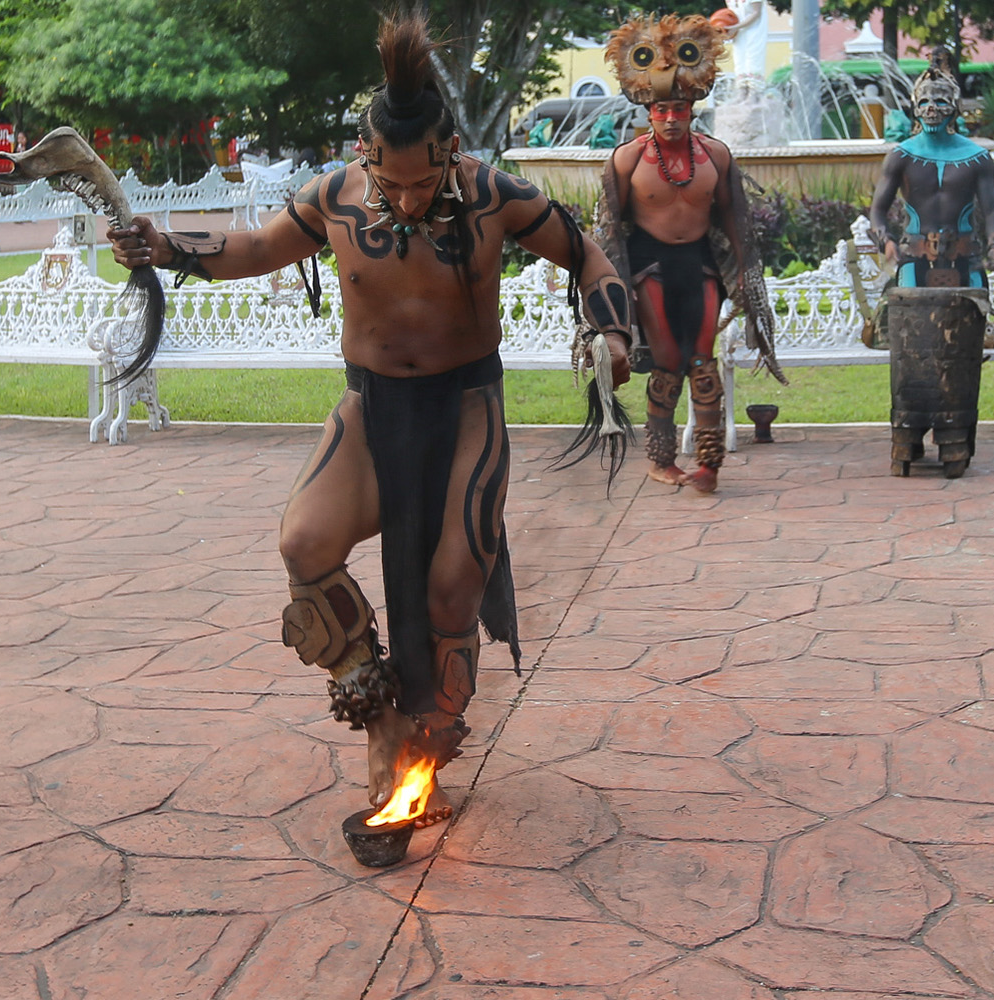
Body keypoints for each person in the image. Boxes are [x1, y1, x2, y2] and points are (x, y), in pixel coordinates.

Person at [108, 14, 635, 826]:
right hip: (372, 404)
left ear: (451, 154)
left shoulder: (495, 195)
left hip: (466, 408)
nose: (408, 198)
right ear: (365, 159)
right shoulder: (333, 199)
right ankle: (382, 720)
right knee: (304, 542)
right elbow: (252, 250)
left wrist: (610, 329)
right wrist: (164, 245)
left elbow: (588, 252)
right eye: (391, 185)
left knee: (454, 586)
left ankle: (431, 745)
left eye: (424, 184)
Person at [595, 12, 783, 494]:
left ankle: (709, 461)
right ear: (648, 111)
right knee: (669, 360)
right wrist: (611, 295)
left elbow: (734, 223)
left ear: (693, 108)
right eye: (663, 111)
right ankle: (660, 459)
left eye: (680, 109)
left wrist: (745, 278)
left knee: (702, 362)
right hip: (650, 270)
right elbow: (608, 231)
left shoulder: (715, 156)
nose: (672, 118)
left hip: (699, 268)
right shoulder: (627, 159)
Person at [868, 55, 994, 477]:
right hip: (913, 265)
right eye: (924, 101)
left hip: (966, 265)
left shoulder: (978, 158)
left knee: (961, 354)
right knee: (911, 353)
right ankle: (906, 437)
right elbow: (877, 213)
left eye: (941, 101)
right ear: (913, 105)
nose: (932, 108)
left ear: (955, 106)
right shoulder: (901, 156)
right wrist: (886, 241)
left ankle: (954, 439)